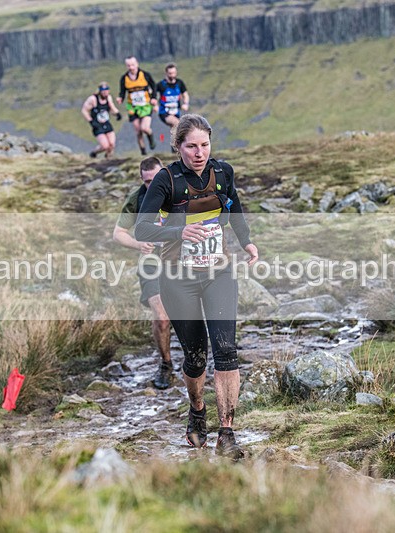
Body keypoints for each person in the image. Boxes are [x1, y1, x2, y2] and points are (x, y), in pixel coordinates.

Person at [134, 114, 259, 460]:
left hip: (218, 273)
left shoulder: (223, 173)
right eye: (191, 146)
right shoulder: (165, 181)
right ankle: (197, 408)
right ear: (178, 147)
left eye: (205, 145)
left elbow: (233, 208)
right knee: (195, 356)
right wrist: (178, 232)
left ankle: (228, 434)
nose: (199, 153)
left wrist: (246, 241)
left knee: (226, 350)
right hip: (177, 279)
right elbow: (142, 230)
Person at [113, 157, 174, 389]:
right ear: (142, 180)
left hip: (180, 262)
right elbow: (118, 232)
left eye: (156, 179)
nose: (151, 185)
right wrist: (138, 244)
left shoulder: (178, 191)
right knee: (161, 318)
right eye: (147, 181)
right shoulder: (137, 199)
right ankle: (166, 364)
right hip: (150, 264)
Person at [116, 56, 157, 155]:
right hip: (132, 107)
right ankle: (143, 152)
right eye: (128, 65)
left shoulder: (145, 75)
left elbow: (154, 86)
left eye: (133, 65)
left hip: (145, 106)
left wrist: (154, 98)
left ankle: (151, 137)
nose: (131, 67)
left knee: (144, 128)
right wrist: (120, 98)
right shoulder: (124, 78)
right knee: (138, 131)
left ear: (137, 64)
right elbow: (122, 91)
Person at [81, 82, 122, 158]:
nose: (105, 92)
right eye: (103, 90)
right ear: (99, 91)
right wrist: (90, 121)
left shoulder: (108, 98)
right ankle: (94, 153)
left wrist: (117, 114)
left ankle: (108, 159)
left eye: (106, 90)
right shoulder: (93, 99)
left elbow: (111, 107)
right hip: (97, 125)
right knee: (105, 146)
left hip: (106, 123)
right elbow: (84, 110)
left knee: (112, 144)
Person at [155, 63, 189, 133]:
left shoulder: (179, 83)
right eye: (170, 73)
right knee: (178, 124)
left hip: (176, 112)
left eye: (174, 73)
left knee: (175, 131)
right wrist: (155, 105)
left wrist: (186, 104)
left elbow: (185, 95)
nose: (172, 75)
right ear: (166, 73)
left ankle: (175, 143)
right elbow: (152, 93)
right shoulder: (161, 84)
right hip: (164, 112)